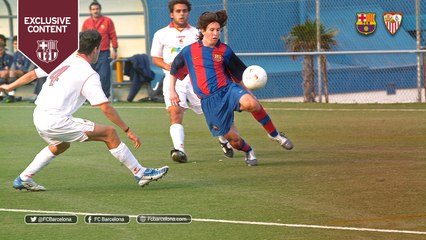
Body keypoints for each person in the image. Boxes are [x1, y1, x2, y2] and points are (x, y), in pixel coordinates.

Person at [0, 30, 168, 191]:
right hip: (55, 120)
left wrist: (9, 86)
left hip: (39, 115)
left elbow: (32, 75)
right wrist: (128, 130)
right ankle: (141, 173)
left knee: (60, 145)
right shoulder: (89, 74)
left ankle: (24, 178)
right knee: (110, 133)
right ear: (95, 50)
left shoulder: (62, 59)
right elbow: (105, 107)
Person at [170, 10, 294, 166]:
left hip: (227, 90)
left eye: (218, 30)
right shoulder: (189, 51)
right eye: (212, 30)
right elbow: (174, 70)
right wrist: (172, 90)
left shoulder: (224, 50)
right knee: (234, 141)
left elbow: (240, 75)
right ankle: (249, 151)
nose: (216, 34)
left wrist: (249, 93)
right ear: (203, 31)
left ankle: (275, 135)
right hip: (209, 101)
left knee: (252, 104)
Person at [151, 0, 233, 163]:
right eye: (178, 11)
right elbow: (155, 58)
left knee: (213, 113)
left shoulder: (197, 33)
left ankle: (223, 140)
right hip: (174, 80)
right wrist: (169, 66)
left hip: (198, 79)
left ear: (188, 13)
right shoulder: (161, 34)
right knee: (175, 112)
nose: (181, 14)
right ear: (171, 14)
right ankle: (179, 150)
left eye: (184, 11)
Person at [81, 1, 118, 98]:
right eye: (93, 9)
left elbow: (113, 35)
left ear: (100, 9)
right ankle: (88, 97)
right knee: (89, 75)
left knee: (104, 75)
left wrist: (115, 49)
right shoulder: (86, 22)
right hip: (89, 53)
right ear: (90, 11)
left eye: (97, 9)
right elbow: (82, 38)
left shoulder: (107, 21)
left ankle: (105, 96)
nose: (95, 11)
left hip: (104, 52)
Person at [5, 36, 33, 103]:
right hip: (19, 73)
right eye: (15, 44)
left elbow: (27, 68)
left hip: (29, 73)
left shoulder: (27, 53)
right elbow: (16, 67)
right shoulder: (15, 54)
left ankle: (11, 95)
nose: (16, 45)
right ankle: (6, 94)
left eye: (18, 43)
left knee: (12, 73)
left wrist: (15, 71)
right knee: (6, 74)